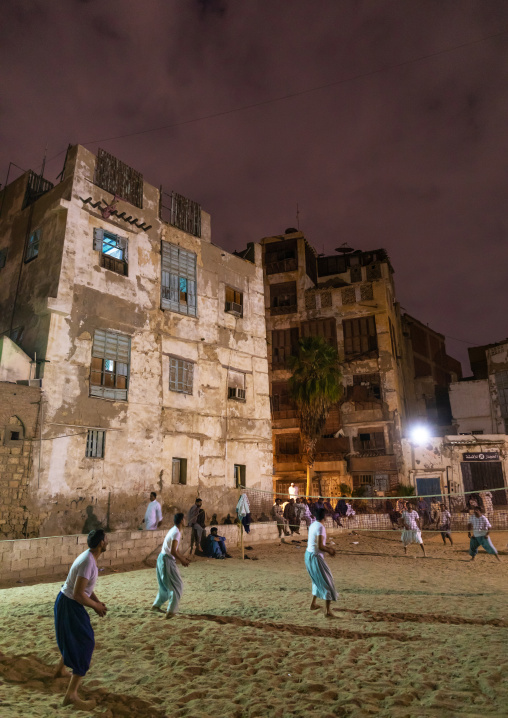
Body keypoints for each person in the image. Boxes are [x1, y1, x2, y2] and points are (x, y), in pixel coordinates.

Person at [53, 529, 108, 711]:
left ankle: (60, 670)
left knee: (74, 638)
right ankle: (71, 695)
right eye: (105, 539)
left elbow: (85, 588)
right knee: (85, 642)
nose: (107, 542)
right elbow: (78, 594)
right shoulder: (87, 563)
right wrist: (95, 606)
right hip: (70, 604)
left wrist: (97, 601)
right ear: (101, 543)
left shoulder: (89, 559)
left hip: (68, 602)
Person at [152, 513, 190, 618]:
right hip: (166, 560)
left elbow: (175, 549)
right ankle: (171, 611)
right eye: (184, 519)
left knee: (164, 586)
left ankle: (156, 605)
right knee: (177, 585)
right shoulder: (176, 532)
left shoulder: (173, 530)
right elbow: (173, 551)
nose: (185, 520)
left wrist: (182, 557)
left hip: (162, 558)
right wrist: (182, 560)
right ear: (182, 520)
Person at [305, 507, 338, 617]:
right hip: (315, 557)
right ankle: (328, 612)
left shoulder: (313, 525)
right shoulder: (320, 527)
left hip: (308, 555)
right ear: (324, 516)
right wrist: (330, 550)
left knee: (316, 580)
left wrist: (327, 548)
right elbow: (320, 546)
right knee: (328, 582)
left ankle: (313, 604)